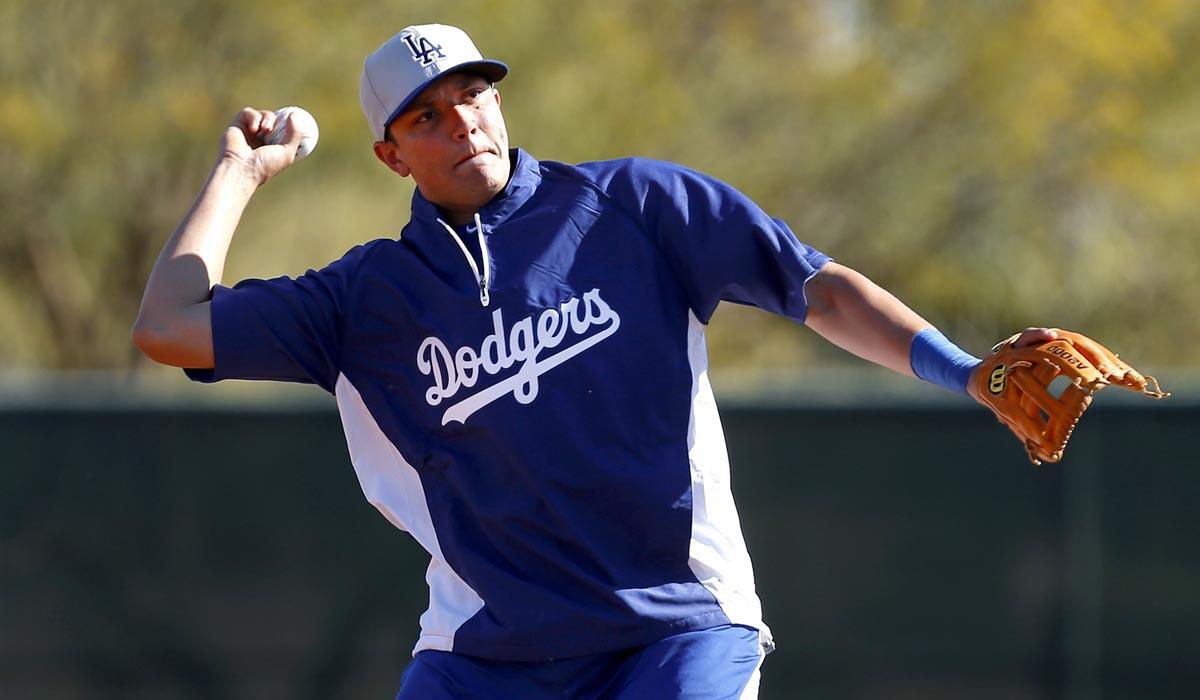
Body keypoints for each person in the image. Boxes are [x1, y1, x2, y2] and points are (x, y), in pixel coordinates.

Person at [133, 23, 1054, 700]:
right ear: (392, 156)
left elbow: (816, 289)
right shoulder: (361, 299)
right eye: (427, 115)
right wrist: (239, 176)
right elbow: (170, 326)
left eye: (473, 95)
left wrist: (964, 370)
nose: (462, 123)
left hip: (675, 625)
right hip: (486, 650)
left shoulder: (633, 203)